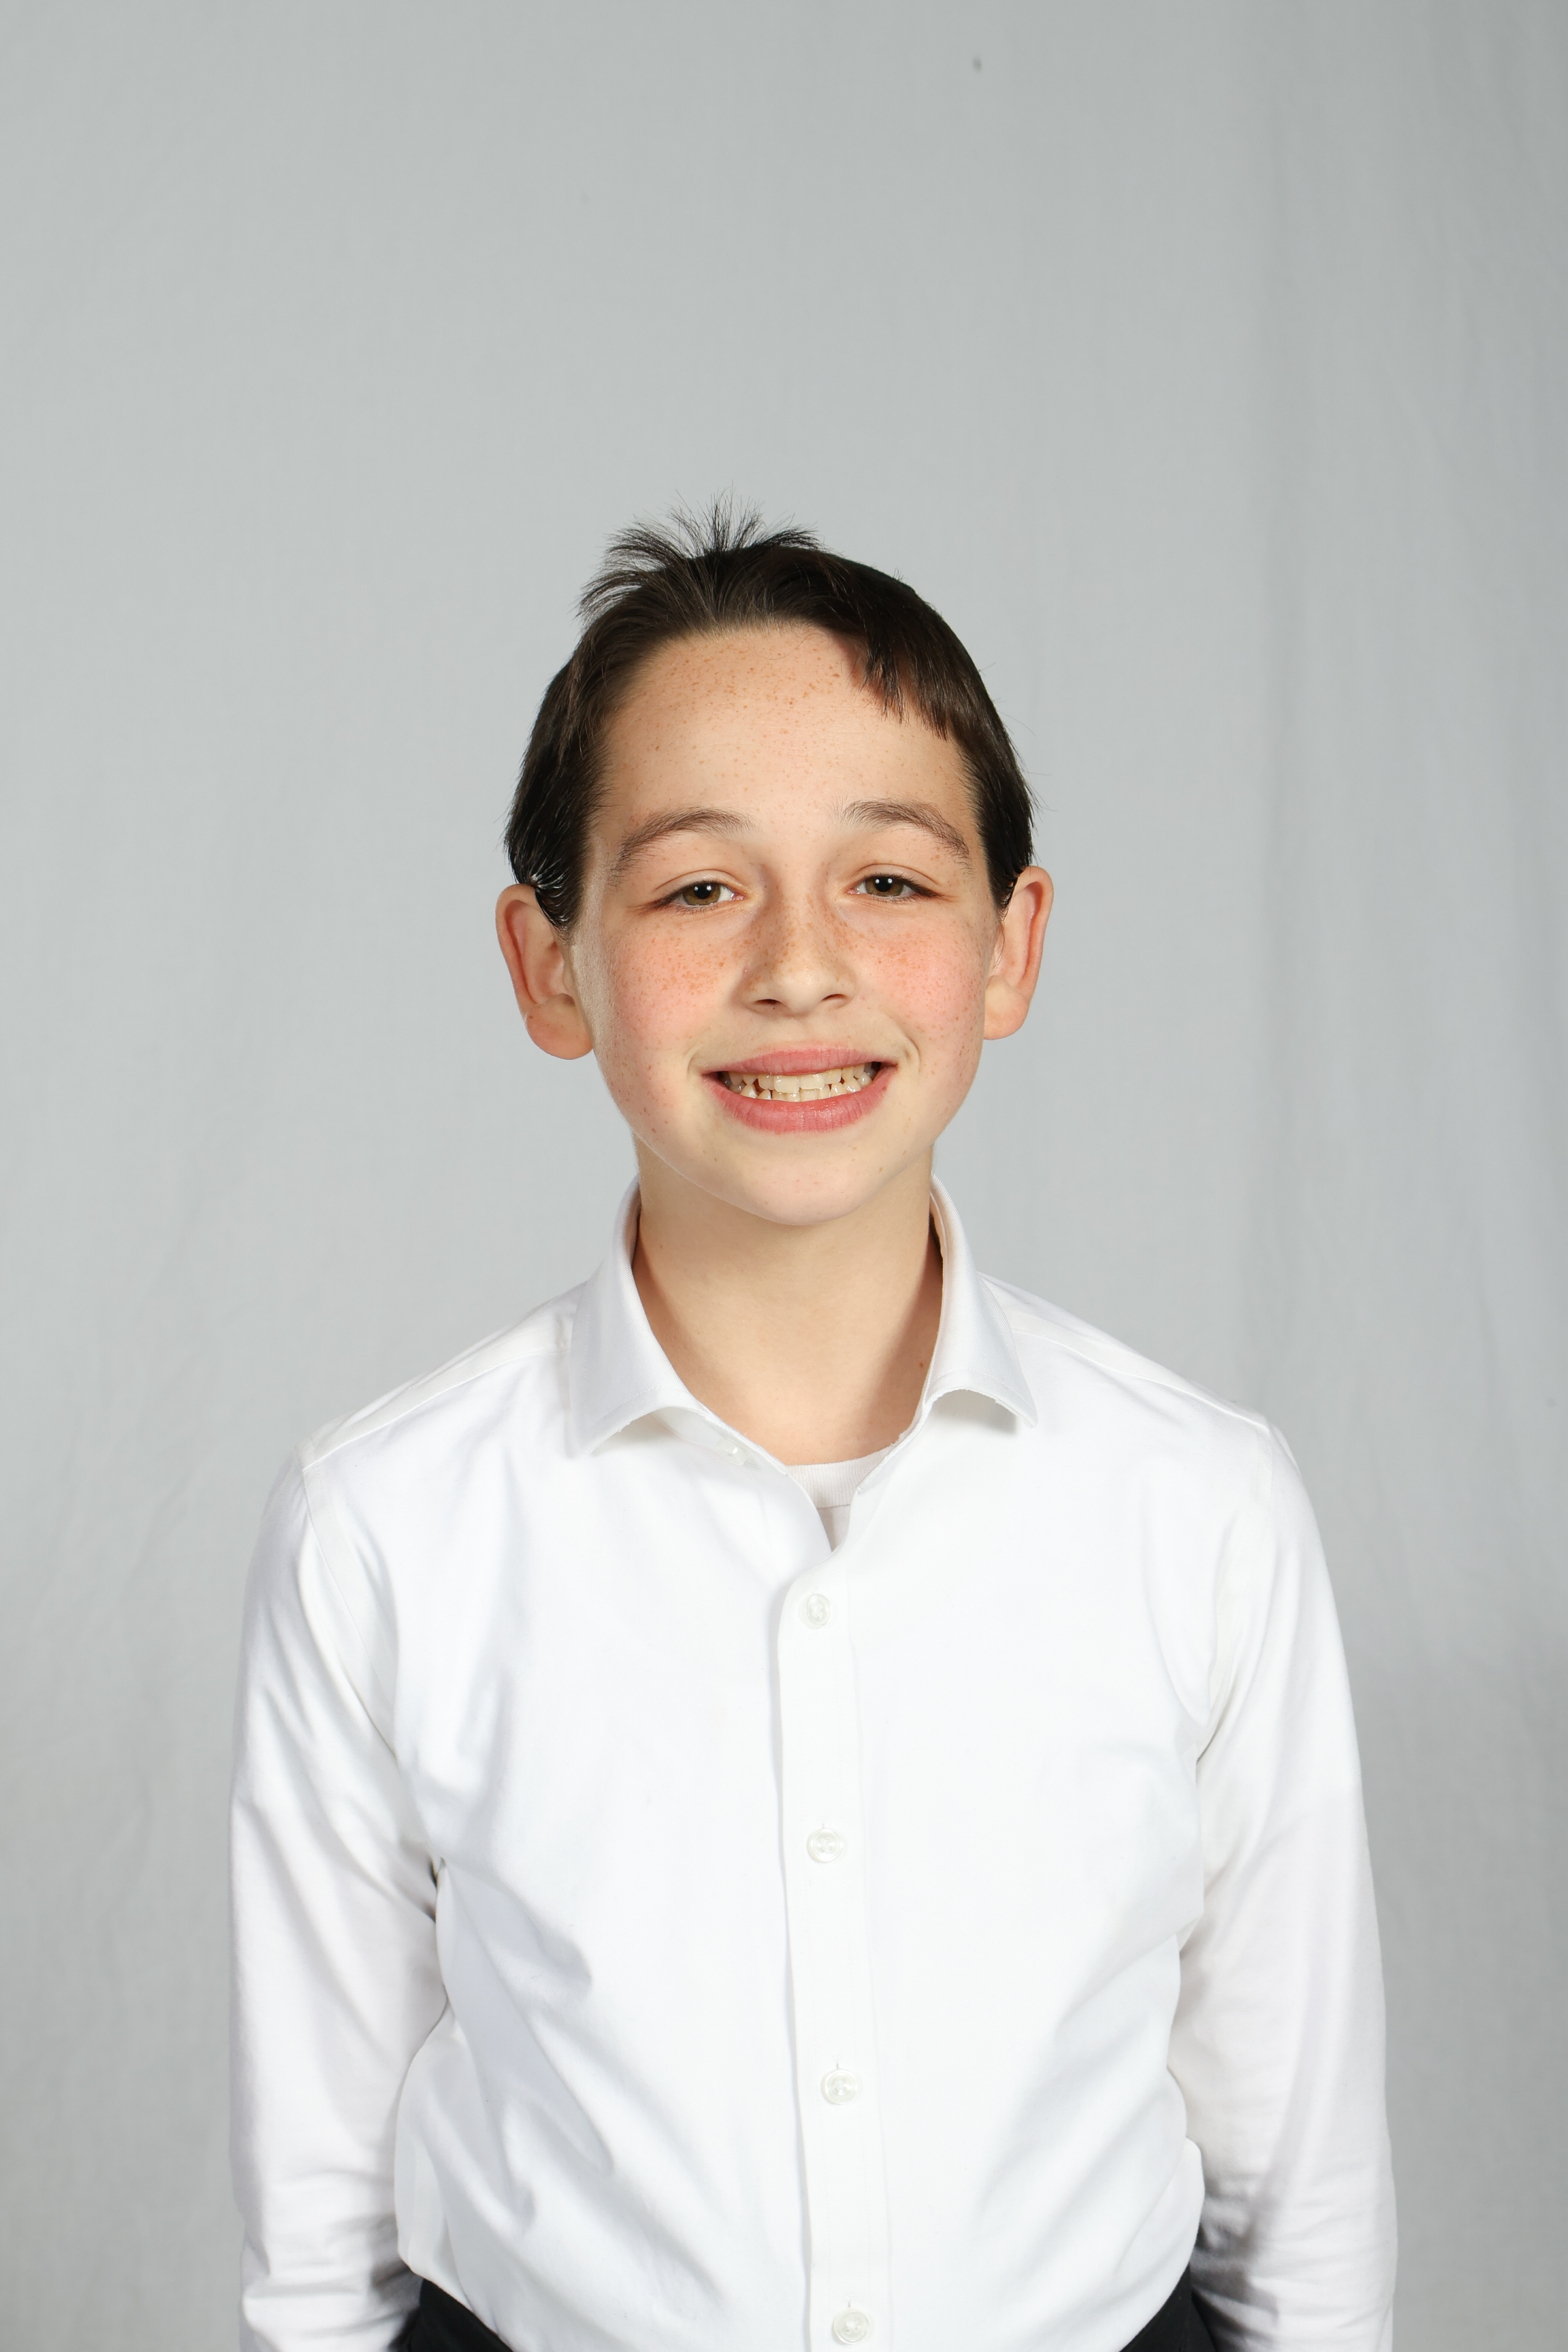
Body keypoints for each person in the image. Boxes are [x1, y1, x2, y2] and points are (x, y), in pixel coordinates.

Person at [229, 508, 1396, 2352]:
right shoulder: (382, 1527)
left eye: (891, 882)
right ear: (550, 964)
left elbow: (1298, 2198)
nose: (797, 966)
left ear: (1011, 946)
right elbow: (321, 2237)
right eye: (699, 888)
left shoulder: (1202, 1507)